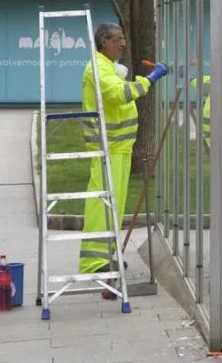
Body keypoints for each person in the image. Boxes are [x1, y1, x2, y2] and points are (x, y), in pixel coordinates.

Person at [78, 23, 168, 292]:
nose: (123, 44)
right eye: (119, 39)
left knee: (111, 205)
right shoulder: (97, 68)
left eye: (124, 39)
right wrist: (150, 79)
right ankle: (93, 264)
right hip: (108, 149)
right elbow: (121, 94)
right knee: (102, 204)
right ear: (104, 41)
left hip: (118, 148)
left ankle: (104, 259)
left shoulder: (105, 67)